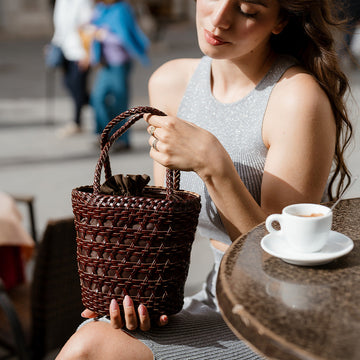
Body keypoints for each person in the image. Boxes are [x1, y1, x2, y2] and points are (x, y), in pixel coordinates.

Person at [56, 0, 353, 359]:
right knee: (93, 333)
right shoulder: (171, 83)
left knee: (90, 348)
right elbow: (164, 224)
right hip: (213, 295)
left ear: (279, 22)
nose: (218, 19)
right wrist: (138, 297)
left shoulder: (296, 99)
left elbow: (280, 264)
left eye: (247, 10)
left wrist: (214, 166)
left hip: (282, 313)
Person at [88, 0, 150, 150]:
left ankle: (123, 139)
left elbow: (124, 38)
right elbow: (91, 26)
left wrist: (104, 36)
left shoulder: (121, 10)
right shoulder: (101, 9)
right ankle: (104, 134)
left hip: (119, 63)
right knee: (97, 98)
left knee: (119, 102)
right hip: (105, 64)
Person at [50, 0, 94, 138]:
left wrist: (87, 53)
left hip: (80, 52)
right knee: (69, 83)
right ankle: (98, 104)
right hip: (64, 49)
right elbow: (60, 28)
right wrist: (53, 45)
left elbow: (89, 27)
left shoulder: (84, 2)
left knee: (78, 85)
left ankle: (77, 121)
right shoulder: (61, 2)